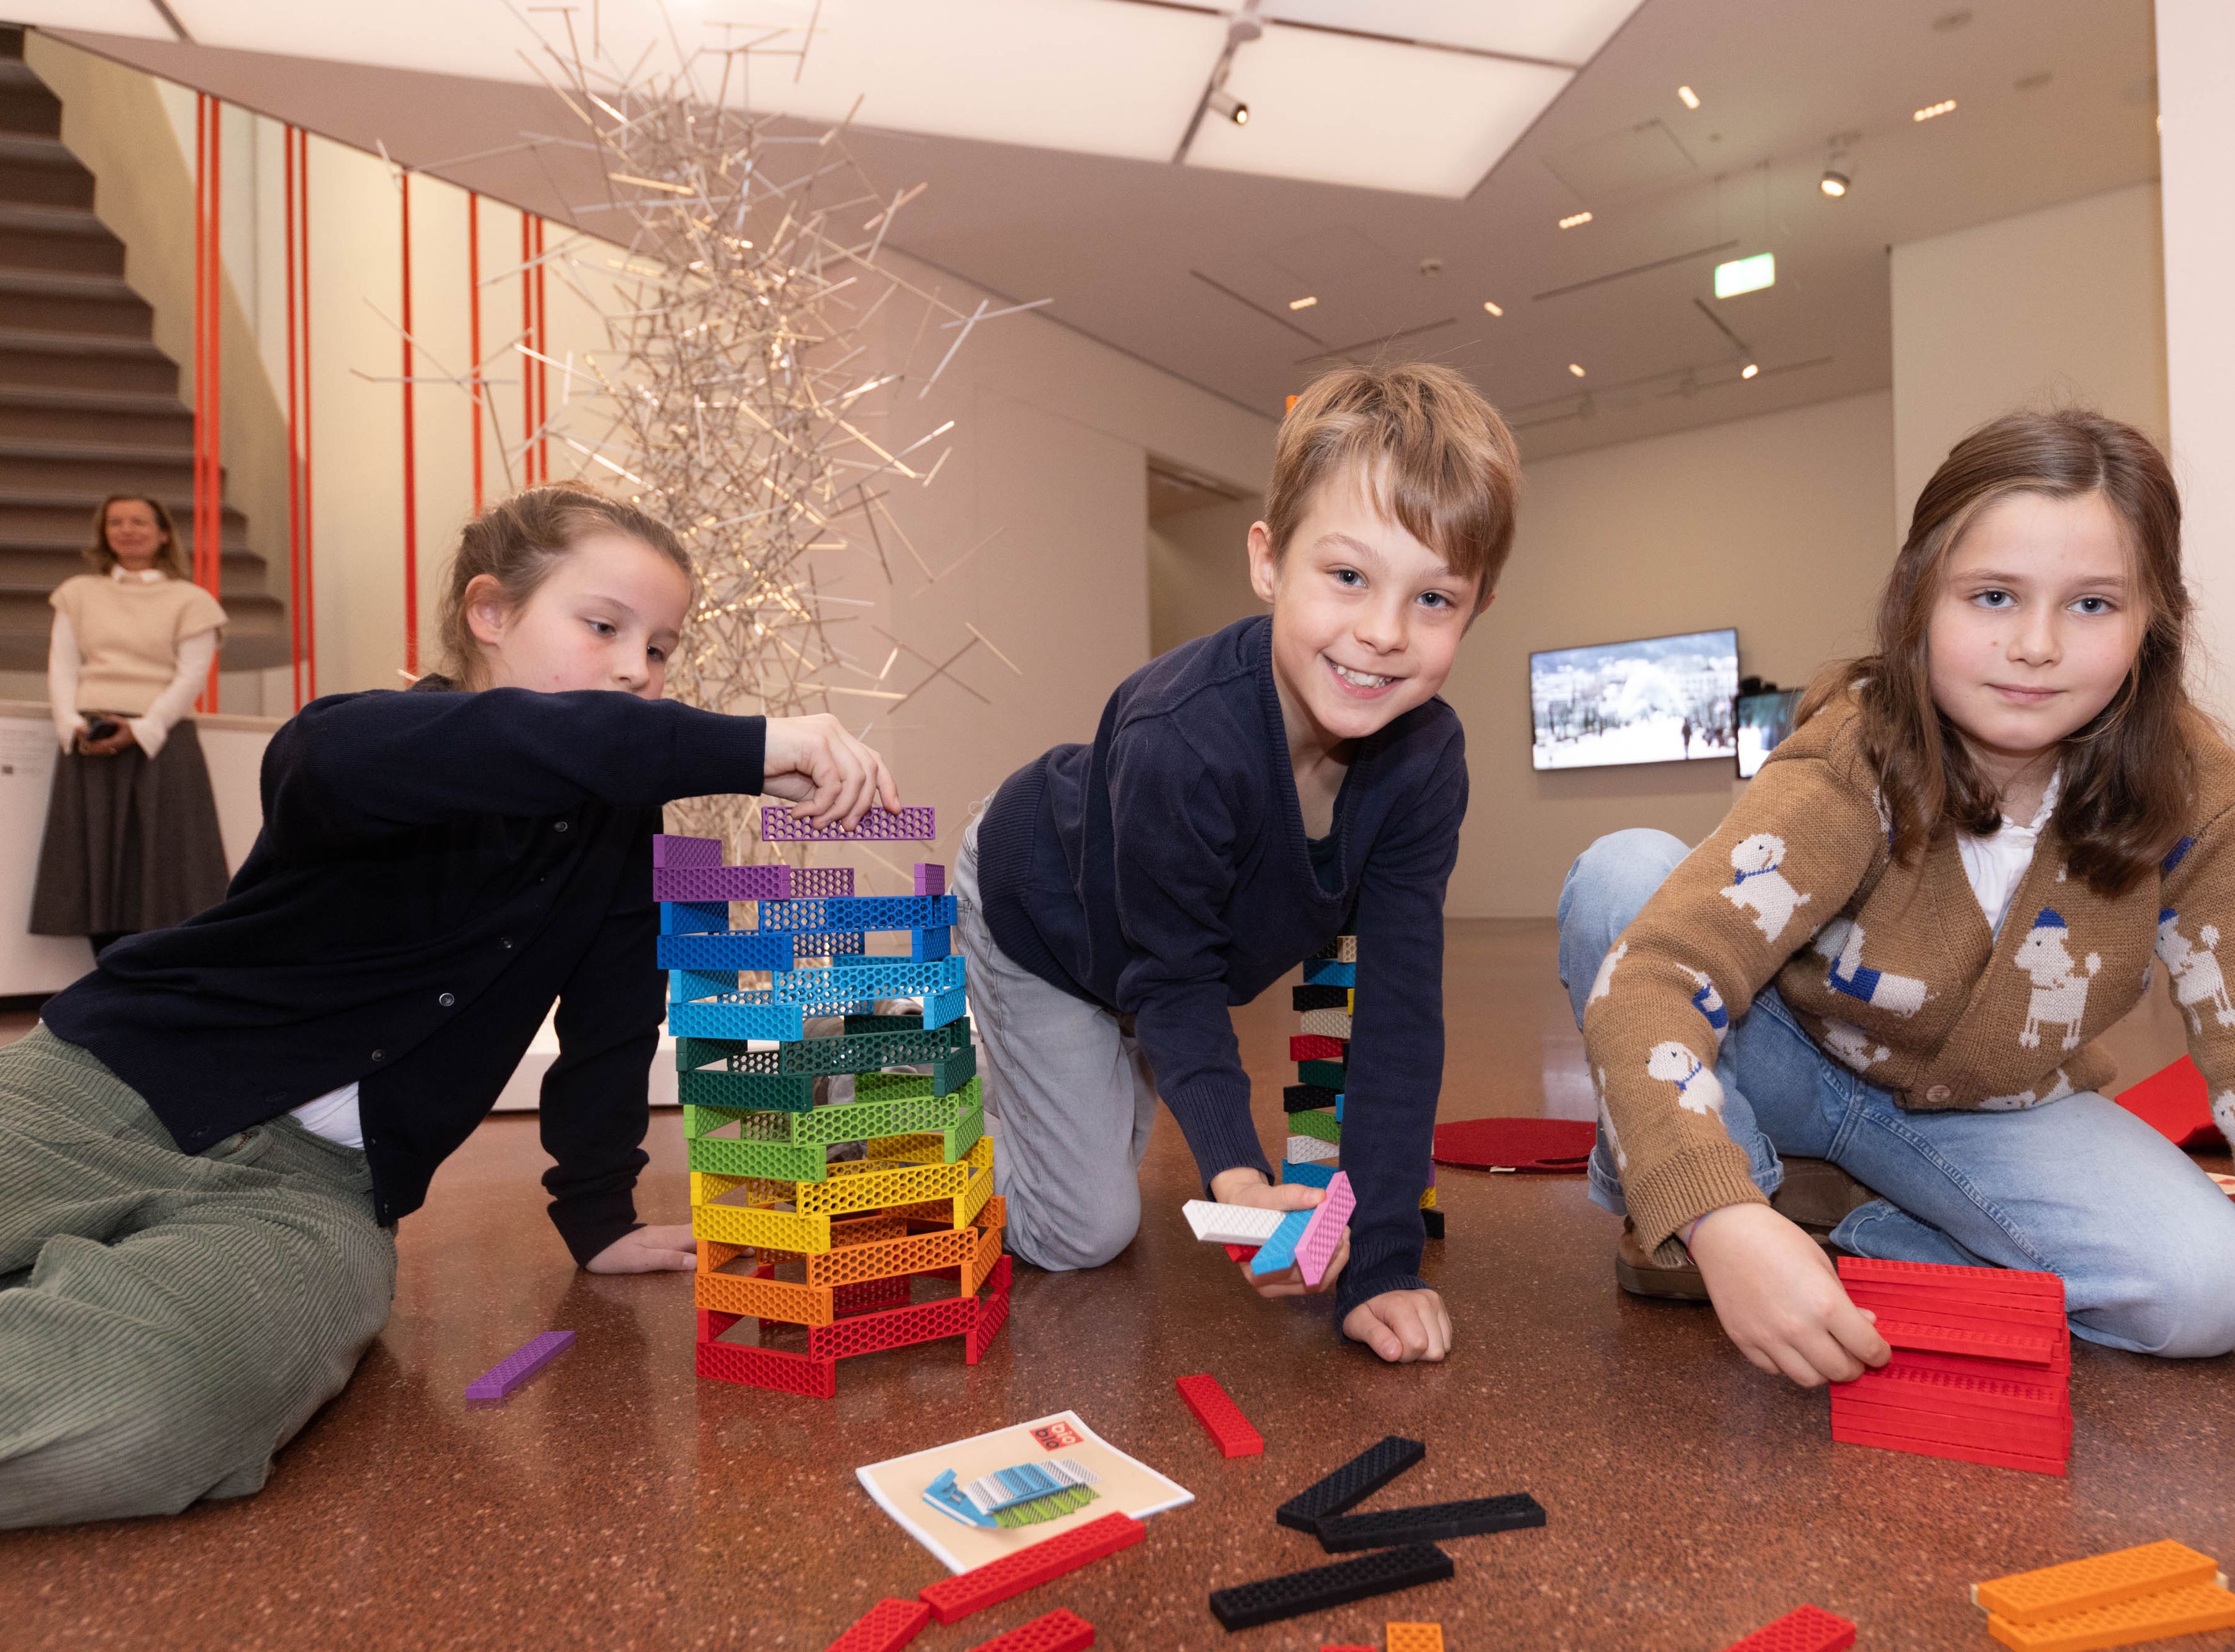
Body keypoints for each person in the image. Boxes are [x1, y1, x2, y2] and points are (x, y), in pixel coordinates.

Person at [1562, 410, 2235, 1458]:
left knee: (2210, 1294)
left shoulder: (2194, 792)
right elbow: (1662, 974)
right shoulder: (1853, 753)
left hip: (1994, 1114)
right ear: (1919, 601)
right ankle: (1723, 1201)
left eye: (2091, 604)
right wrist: (1720, 1214)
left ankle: (1837, 1221)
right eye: (1993, 597)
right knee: (1626, 877)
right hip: (1789, 1064)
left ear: (2154, 623)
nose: (2036, 645)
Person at [0, 482, 898, 1526]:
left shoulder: (627, 842)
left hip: (316, 1199)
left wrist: (597, 1209)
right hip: (113, 1084)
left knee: (142, 1416)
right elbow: (495, 748)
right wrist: (745, 745)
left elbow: (612, 1030)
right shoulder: (366, 742)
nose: (635, 668)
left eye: (660, 649)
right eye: (603, 626)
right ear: (490, 612)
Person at [961, 361, 1518, 1365]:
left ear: (1475, 608)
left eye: (1433, 598)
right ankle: (936, 1066)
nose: (1383, 634)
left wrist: (1384, 1266)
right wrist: (1237, 1174)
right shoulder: (1183, 734)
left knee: (1135, 1083)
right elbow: (1173, 981)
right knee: (1084, 1231)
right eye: (1347, 576)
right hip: (1043, 913)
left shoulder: (1426, 763)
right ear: (1268, 562)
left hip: (1153, 955)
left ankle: (1057, 1074)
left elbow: (1398, 1017)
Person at [33, 494, 233, 956]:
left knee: (168, 864)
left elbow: (192, 675)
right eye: (116, 522)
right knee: (93, 863)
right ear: (104, 533)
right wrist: (71, 726)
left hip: (162, 741)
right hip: (90, 737)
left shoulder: (192, 600)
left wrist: (145, 729)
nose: (127, 529)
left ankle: (159, 982)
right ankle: (107, 975)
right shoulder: (78, 593)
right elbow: (62, 666)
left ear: (163, 533)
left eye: (139, 521)